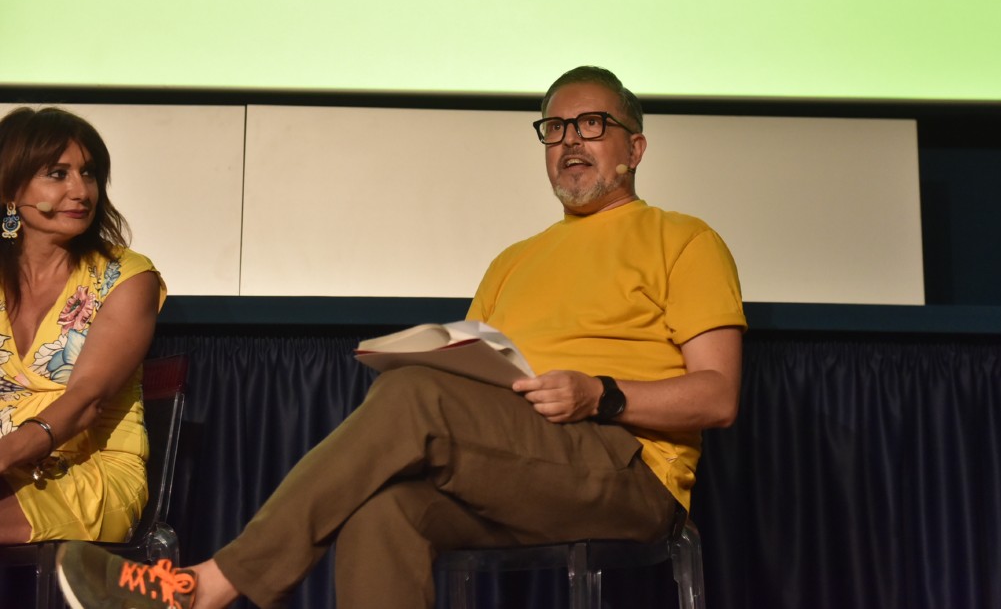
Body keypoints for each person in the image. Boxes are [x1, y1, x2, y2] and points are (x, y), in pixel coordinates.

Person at [55, 66, 746, 609]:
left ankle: (208, 585)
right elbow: (481, 371)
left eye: (591, 125)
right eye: (555, 128)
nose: (570, 141)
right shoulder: (513, 261)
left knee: (416, 396)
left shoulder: (683, 239)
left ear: (635, 147)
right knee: (381, 513)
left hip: (628, 471)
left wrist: (601, 394)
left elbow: (717, 397)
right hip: (524, 459)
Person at [0, 107, 165, 545]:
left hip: (91, 471)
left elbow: (88, 400)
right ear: (10, 189)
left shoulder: (127, 276)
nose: (81, 191)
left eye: (88, 173)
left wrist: (4, 454)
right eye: (58, 174)